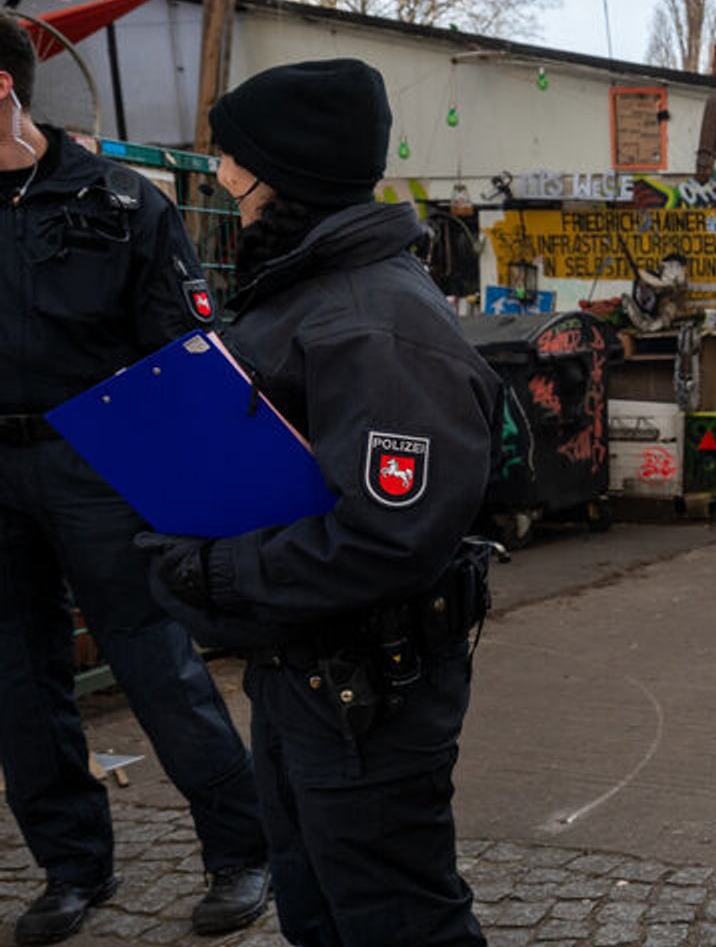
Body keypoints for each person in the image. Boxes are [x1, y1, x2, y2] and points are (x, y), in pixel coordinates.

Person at [138, 57, 498, 947]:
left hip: (368, 691)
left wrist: (217, 570)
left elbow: (388, 536)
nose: (221, 179)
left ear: (285, 176)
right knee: (317, 913)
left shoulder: (372, 322)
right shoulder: (305, 294)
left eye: (232, 159)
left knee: (396, 921)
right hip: (306, 675)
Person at [0, 21, 272, 943]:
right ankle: (74, 870)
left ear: (2, 88)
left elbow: (184, 351)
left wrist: (218, 501)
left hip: (99, 460)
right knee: (17, 682)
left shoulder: (118, 201)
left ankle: (243, 853)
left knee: (155, 661)